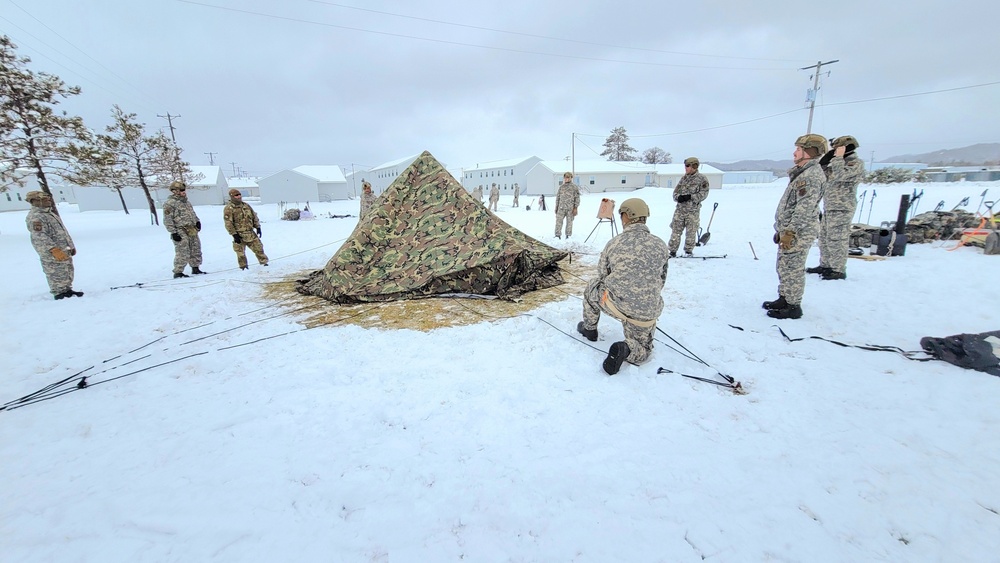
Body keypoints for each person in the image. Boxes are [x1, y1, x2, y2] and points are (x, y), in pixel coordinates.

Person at [577, 198, 669, 375]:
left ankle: (589, 329)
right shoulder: (660, 245)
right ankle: (626, 349)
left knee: (592, 288)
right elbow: (661, 280)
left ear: (626, 216)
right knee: (643, 350)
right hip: (646, 311)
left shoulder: (614, 243)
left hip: (615, 304)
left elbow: (602, 275)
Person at [763, 134, 828, 320]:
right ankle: (785, 298)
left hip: (799, 231)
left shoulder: (811, 176)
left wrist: (790, 232)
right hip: (790, 230)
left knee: (793, 267)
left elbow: (804, 208)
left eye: (799, 149)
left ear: (810, 151)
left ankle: (793, 305)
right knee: (784, 266)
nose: (794, 152)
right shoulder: (802, 173)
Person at [809, 135, 865, 280]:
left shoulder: (855, 163)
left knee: (837, 239)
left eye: (837, 148)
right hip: (830, 206)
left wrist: (838, 158)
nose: (834, 150)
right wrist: (826, 160)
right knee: (824, 237)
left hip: (842, 207)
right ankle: (826, 265)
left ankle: (838, 269)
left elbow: (840, 175)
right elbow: (823, 175)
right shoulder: (836, 162)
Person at [25, 190, 83, 299]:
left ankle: (66, 290)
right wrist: (53, 249)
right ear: (35, 201)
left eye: (48, 199)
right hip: (52, 252)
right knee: (56, 272)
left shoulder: (49, 213)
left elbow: (62, 231)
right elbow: (39, 237)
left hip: (63, 249)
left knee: (66, 270)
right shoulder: (36, 217)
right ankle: (59, 293)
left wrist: (70, 245)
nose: (48, 201)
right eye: (44, 199)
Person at [668, 157, 711, 257]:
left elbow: (704, 194)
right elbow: (675, 192)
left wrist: (691, 197)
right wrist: (678, 198)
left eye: (688, 166)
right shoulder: (684, 179)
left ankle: (688, 251)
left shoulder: (702, 179)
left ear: (694, 166)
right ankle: (672, 251)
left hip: (692, 211)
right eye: (685, 166)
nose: (686, 168)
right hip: (680, 210)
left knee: (691, 232)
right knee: (675, 231)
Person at [163, 180, 206, 278]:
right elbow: (168, 219)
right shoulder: (170, 204)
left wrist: (197, 221)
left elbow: (192, 213)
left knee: (195, 248)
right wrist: (173, 232)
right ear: (174, 191)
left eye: (184, 190)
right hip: (180, 230)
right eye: (181, 190)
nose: (184, 192)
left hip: (191, 228)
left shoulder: (186, 202)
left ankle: (195, 268)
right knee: (183, 250)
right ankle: (178, 271)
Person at [223, 189, 268, 270]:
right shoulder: (229, 208)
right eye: (236, 195)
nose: (239, 196)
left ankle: (264, 263)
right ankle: (243, 267)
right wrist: (234, 234)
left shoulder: (246, 206)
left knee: (259, 248)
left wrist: (258, 227)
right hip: (239, 234)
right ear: (232, 197)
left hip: (250, 233)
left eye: (239, 195)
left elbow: (254, 216)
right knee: (241, 254)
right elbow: (228, 223)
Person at [554, 171, 581, 238]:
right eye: (565, 177)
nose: (567, 179)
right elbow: (558, 198)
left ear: (571, 178)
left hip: (570, 209)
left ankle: (568, 235)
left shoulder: (574, 187)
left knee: (569, 223)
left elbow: (577, 198)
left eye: (568, 177)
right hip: (561, 208)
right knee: (558, 222)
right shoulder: (561, 187)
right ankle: (557, 235)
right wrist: (556, 207)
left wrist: (575, 208)